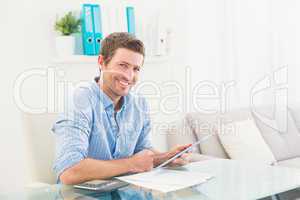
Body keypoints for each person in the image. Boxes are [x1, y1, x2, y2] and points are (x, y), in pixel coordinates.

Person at [52, 32, 191, 185]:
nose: (129, 76)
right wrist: (131, 164)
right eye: (123, 65)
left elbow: (142, 151)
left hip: (123, 192)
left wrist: (166, 158)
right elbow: (69, 172)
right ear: (102, 62)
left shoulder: (139, 104)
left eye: (136, 69)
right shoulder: (80, 99)